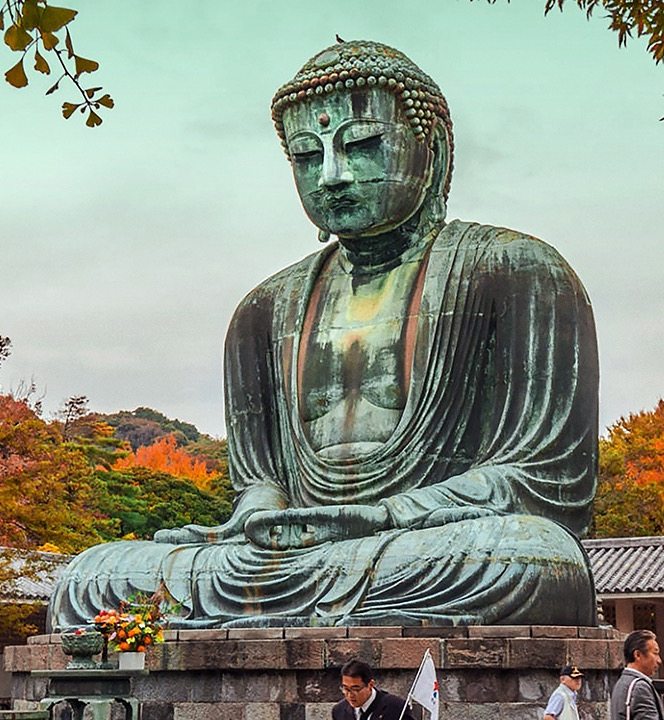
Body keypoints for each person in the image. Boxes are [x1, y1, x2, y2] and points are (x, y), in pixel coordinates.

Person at [48, 38, 600, 629]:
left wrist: (386, 516)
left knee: (532, 559)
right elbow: (260, 481)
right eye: (307, 157)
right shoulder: (263, 310)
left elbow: (544, 481)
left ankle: (271, 612)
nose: (332, 176)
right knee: (90, 577)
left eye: (361, 146)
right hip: (295, 555)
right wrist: (261, 512)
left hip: (430, 543)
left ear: (432, 149)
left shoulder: (517, 271)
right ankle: (300, 609)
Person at [611, 630, 664, 720]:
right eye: (655, 653)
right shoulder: (640, 687)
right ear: (637, 655)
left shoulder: (623, 682)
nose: (659, 660)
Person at [330, 660, 414, 720]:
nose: (350, 695)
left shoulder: (396, 707)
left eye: (356, 689)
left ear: (370, 685)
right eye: (346, 689)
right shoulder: (339, 711)